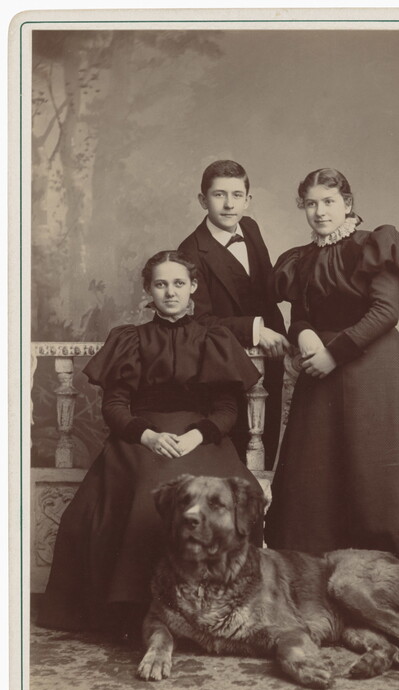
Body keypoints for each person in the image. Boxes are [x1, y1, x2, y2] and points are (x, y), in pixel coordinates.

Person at [37, 251, 263, 640]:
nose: (170, 292)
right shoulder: (130, 339)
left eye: (179, 283)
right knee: (142, 493)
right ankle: (131, 612)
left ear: (193, 287)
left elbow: (227, 408)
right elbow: (114, 406)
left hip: (201, 437)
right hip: (140, 438)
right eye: (161, 284)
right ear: (148, 290)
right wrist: (149, 437)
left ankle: (218, 607)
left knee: (239, 495)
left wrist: (196, 435)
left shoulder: (215, 338)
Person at [265, 168, 399, 564]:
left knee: (373, 464)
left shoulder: (374, 244)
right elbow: (301, 314)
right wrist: (304, 335)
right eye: (311, 204)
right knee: (316, 467)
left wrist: (335, 353)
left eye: (329, 202)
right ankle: (317, 566)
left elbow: (385, 311)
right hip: (321, 370)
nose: (319, 212)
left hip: (373, 366)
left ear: (347, 204)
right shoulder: (300, 259)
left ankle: (386, 565)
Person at [178, 160, 288, 469]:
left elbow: (266, 294)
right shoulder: (190, 252)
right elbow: (198, 321)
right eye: (219, 195)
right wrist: (254, 330)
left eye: (237, 195)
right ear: (203, 200)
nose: (229, 204)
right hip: (225, 364)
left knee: (267, 450)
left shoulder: (250, 228)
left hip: (270, 359)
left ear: (248, 200)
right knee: (236, 454)